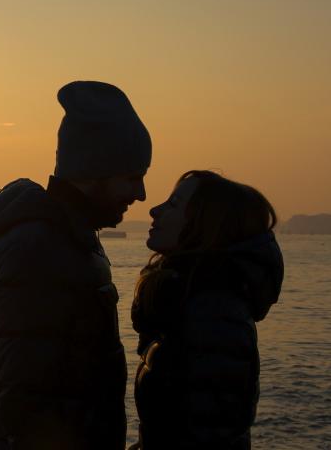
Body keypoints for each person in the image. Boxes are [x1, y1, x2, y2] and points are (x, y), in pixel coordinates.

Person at [0, 81, 151, 449]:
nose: (141, 194)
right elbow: (25, 407)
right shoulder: (40, 250)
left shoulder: (67, 239)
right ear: (94, 171)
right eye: (132, 177)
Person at [130, 170, 284, 450]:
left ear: (203, 226)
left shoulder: (213, 314)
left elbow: (208, 434)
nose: (154, 210)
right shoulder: (188, 300)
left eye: (174, 205)